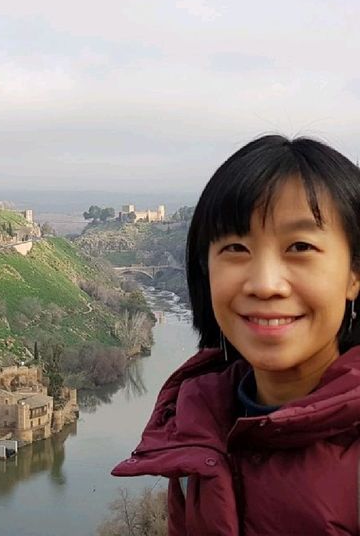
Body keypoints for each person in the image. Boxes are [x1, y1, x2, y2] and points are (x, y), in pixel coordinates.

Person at [112, 135, 360, 535]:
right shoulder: (197, 437)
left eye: (300, 246)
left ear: (354, 274)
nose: (265, 284)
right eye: (235, 247)